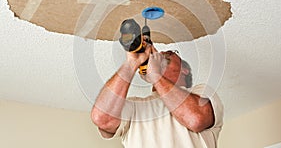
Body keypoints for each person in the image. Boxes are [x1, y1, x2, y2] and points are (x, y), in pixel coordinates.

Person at [91, 44, 223, 148]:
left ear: (184, 70)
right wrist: (132, 63)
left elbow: (196, 119)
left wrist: (155, 76)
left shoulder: (201, 92)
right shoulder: (134, 108)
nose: (160, 54)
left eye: (170, 54)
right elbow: (102, 118)